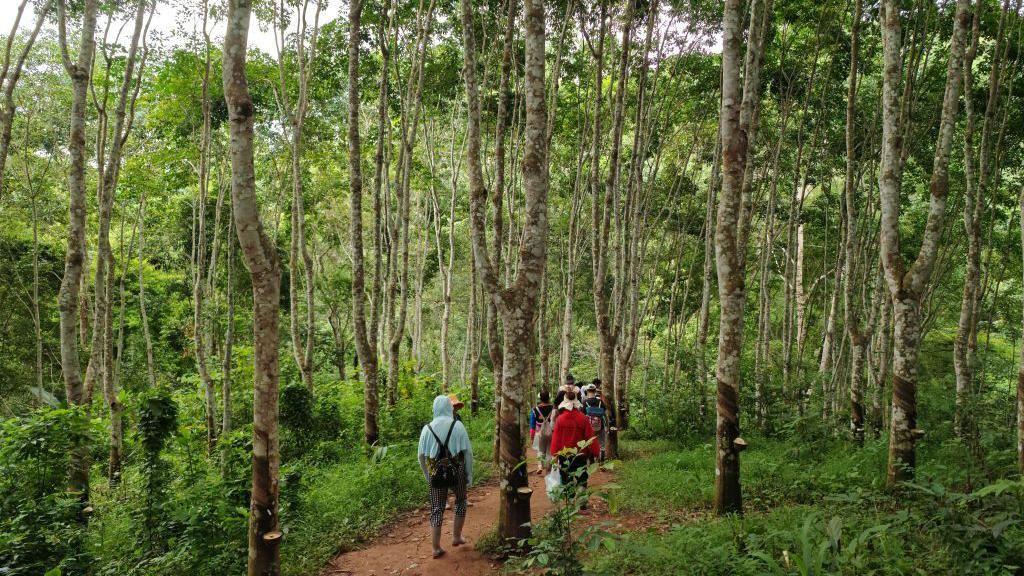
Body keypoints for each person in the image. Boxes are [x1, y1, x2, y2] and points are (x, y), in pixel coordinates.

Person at [418, 395, 474, 559]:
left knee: (437, 509)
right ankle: (456, 536)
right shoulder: (458, 426)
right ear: (449, 408)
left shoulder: (426, 429)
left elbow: (421, 456)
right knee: (461, 501)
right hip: (457, 471)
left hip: (435, 473)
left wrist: (428, 475)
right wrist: (469, 474)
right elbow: (468, 453)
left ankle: (436, 547)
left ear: (434, 408)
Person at [549, 390, 600, 505]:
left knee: (567, 479)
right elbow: (590, 437)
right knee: (582, 478)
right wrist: (596, 453)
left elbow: (556, 439)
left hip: (564, 455)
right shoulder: (583, 418)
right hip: (581, 455)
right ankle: (582, 504)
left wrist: (555, 456)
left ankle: (571, 504)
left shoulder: (560, 419)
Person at [530, 390, 555, 474]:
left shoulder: (535, 410)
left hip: (539, 433)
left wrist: (532, 436)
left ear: (540, 398)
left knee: (540, 450)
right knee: (549, 450)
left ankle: (540, 466)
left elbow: (532, 425)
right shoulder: (553, 408)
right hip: (551, 432)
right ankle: (548, 468)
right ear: (549, 398)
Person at [582, 384, 609, 462]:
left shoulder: (585, 402)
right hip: (601, 426)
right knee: (602, 444)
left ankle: (591, 461)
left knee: (590, 443)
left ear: (587, 391)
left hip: (589, 427)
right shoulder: (600, 402)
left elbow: (583, 416)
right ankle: (602, 461)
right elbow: (605, 414)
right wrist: (607, 426)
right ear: (595, 391)